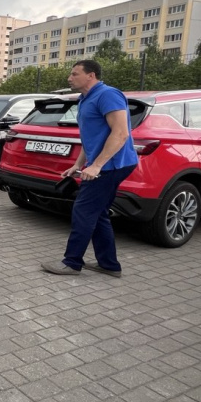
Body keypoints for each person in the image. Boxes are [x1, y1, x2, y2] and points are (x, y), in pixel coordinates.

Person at [41, 60, 139, 278]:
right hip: (104, 165)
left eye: (75, 74)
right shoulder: (84, 99)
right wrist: (78, 164)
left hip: (113, 165)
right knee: (98, 213)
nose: (69, 78)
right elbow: (91, 137)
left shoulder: (108, 95)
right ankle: (109, 264)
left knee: (84, 211)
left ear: (91, 75)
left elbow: (121, 133)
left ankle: (72, 262)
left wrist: (97, 165)